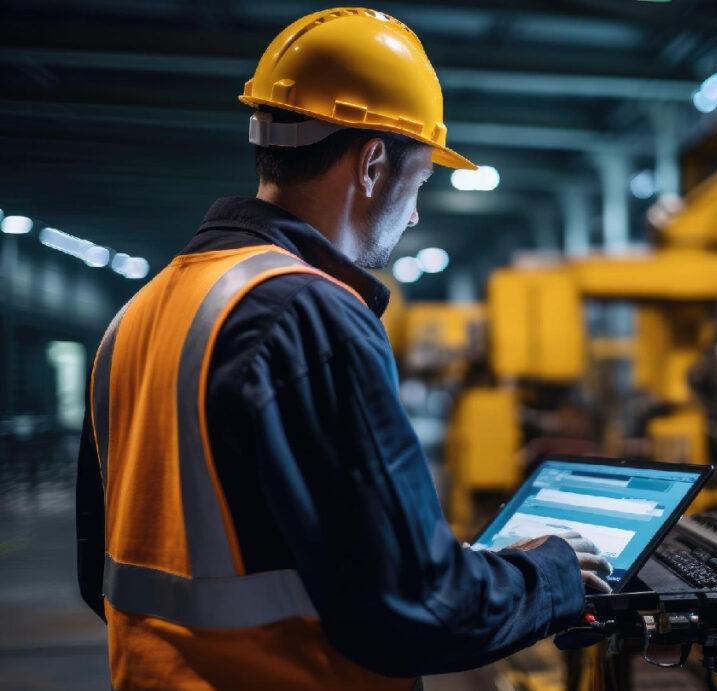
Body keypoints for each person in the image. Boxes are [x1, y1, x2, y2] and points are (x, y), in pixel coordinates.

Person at [76, 8, 611, 691]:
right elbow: (418, 609)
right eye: (421, 182)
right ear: (373, 164)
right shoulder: (311, 314)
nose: (414, 213)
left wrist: (448, 561)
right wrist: (553, 571)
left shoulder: (137, 315)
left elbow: (106, 572)